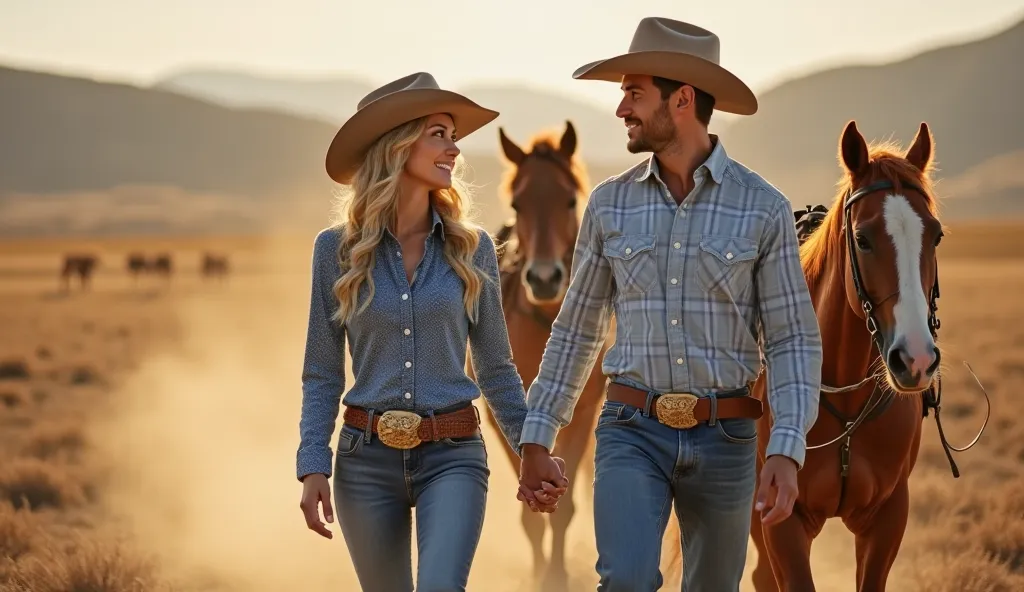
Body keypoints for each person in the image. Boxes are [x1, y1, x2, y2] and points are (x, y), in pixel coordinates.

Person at [516, 17, 823, 591]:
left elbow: (791, 339)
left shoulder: (764, 208)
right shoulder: (609, 206)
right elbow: (577, 330)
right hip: (631, 428)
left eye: (634, 93)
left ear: (682, 99)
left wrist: (786, 448)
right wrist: (539, 433)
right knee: (626, 580)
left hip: (730, 437)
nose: (621, 109)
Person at [295, 72, 568, 592]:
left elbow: (496, 369)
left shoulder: (475, 249)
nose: (454, 148)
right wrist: (313, 465)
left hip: (455, 456)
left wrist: (530, 447)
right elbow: (321, 371)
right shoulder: (333, 252)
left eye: (454, 136)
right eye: (438, 134)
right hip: (364, 460)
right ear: (396, 145)